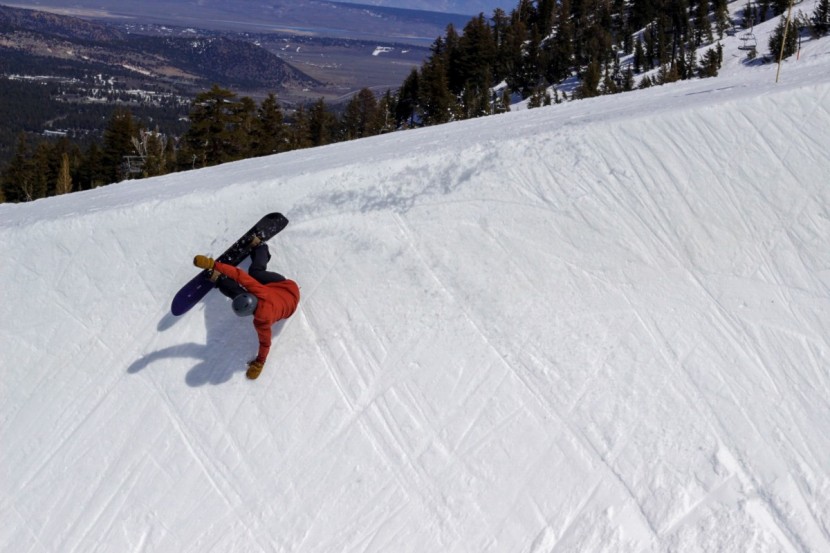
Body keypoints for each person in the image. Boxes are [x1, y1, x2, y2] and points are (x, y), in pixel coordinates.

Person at [193, 237, 300, 379]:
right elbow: (238, 274)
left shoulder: (262, 322)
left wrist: (260, 363)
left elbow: (265, 343)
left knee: (247, 281)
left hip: (286, 294)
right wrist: (211, 264)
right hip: (282, 288)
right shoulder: (258, 291)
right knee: (253, 275)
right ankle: (259, 248)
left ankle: (222, 277)